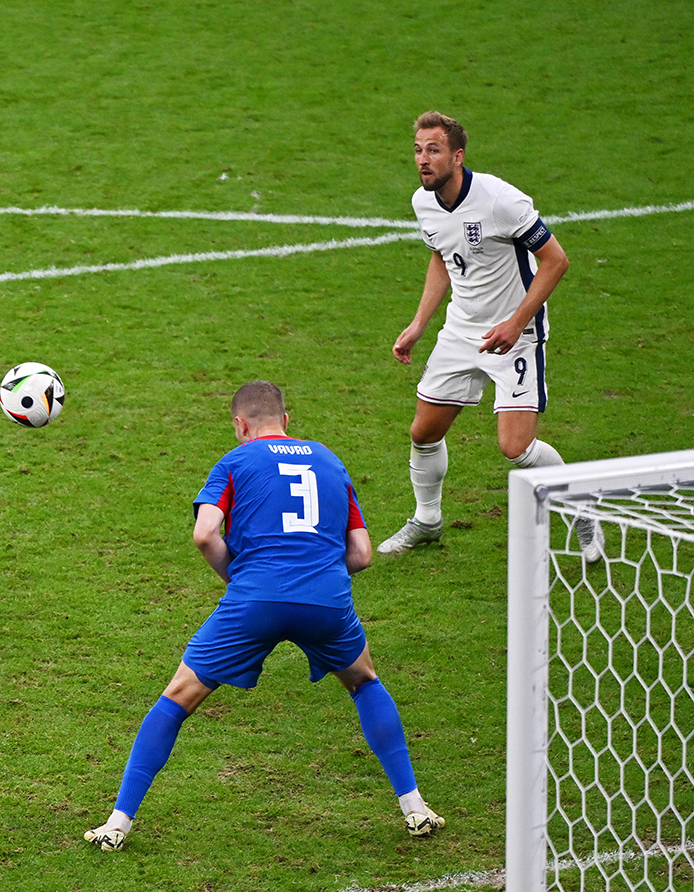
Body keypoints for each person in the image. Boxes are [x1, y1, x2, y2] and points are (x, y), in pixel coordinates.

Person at [84, 382, 443, 853]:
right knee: (364, 682)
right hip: (326, 601)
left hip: (253, 600)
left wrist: (240, 581)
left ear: (240, 425)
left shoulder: (234, 463)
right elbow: (361, 554)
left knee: (178, 697)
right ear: (286, 421)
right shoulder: (331, 462)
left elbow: (204, 534)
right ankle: (415, 807)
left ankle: (117, 823)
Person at [383, 110, 601, 561]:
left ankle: (582, 505)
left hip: (516, 334)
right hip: (462, 330)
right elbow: (442, 256)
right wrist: (419, 323)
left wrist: (517, 322)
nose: (423, 159)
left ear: (457, 156)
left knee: (515, 448)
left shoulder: (501, 200)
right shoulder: (423, 203)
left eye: (434, 150)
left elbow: (556, 261)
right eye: (418, 150)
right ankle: (427, 520)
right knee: (423, 432)